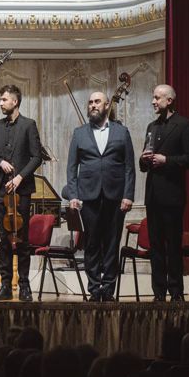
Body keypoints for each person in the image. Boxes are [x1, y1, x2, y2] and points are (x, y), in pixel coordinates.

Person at [65, 91, 135, 302]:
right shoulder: (79, 133)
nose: (93, 105)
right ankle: (94, 288)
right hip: (88, 196)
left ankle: (108, 288)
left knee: (112, 243)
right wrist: (73, 195)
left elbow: (129, 167)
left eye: (97, 102)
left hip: (115, 197)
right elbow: (71, 168)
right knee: (92, 243)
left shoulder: (122, 132)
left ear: (107, 106)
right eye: (90, 102)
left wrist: (128, 195)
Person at [139, 84, 189, 302]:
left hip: (172, 195)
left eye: (157, 98)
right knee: (156, 246)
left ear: (169, 101)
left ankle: (176, 292)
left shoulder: (184, 125)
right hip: (153, 195)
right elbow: (144, 164)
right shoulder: (151, 126)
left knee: (173, 244)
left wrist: (167, 160)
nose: (153, 101)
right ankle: (158, 293)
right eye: (153, 97)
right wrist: (143, 159)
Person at [0, 84, 42, 302]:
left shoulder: (29, 125)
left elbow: (36, 157)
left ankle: (25, 286)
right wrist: (0, 162)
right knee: (4, 239)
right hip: (1, 190)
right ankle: (6, 285)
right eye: (0, 99)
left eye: (4, 99)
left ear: (15, 101)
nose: (0, 103)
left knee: (23, 239)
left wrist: (20, 177)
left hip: (22, 190)